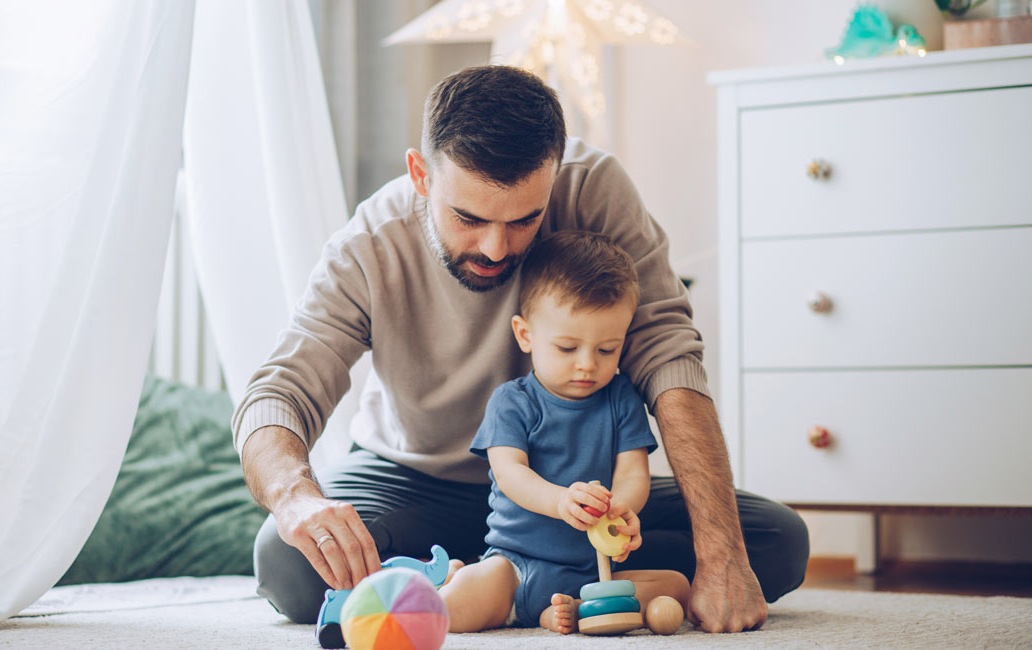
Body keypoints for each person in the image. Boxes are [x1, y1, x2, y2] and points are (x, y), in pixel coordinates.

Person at [233, 65, 808, 634]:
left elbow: (667, 351)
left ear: (554, 177)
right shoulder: (368, 246)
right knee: (291, 567)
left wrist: (719, 551)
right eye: (469, 218)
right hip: (415, 480)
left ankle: (496, 583)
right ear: (421, 175)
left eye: (525, 219)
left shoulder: (595, 189)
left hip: (572, 495)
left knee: (772, 543)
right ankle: (503, 579)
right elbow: (280, 392)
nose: (495, 248)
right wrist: (295, 498)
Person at [439, 231, 690, 634]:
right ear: (526, 335)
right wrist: (562, 501)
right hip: (516, 565)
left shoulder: (621, 397)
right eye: (567, 348)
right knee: (454, 611)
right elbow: (510, 474)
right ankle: (457, 581)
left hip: (595, 572)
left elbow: (632, 473)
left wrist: (621, 508)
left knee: (677, 585)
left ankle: (566, 610)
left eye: (607, 350)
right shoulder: (512, 401)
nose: (587, 365)